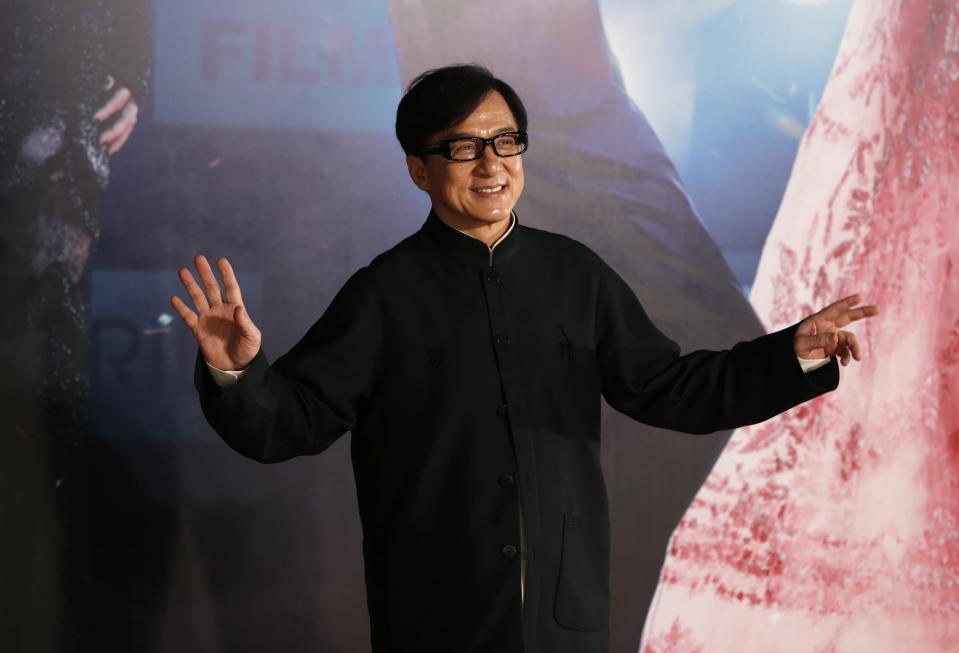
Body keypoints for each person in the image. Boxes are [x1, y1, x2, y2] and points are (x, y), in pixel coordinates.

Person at [171, 64, 877, 653]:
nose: (491, 164)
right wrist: (237, 372)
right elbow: (285, 424)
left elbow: (673, 388)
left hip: (560, 617)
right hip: (435, 620)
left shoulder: (577, 275)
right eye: (463, 147)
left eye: (506, 142)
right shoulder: (383, 294)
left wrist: (791, 354)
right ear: (419, 169)